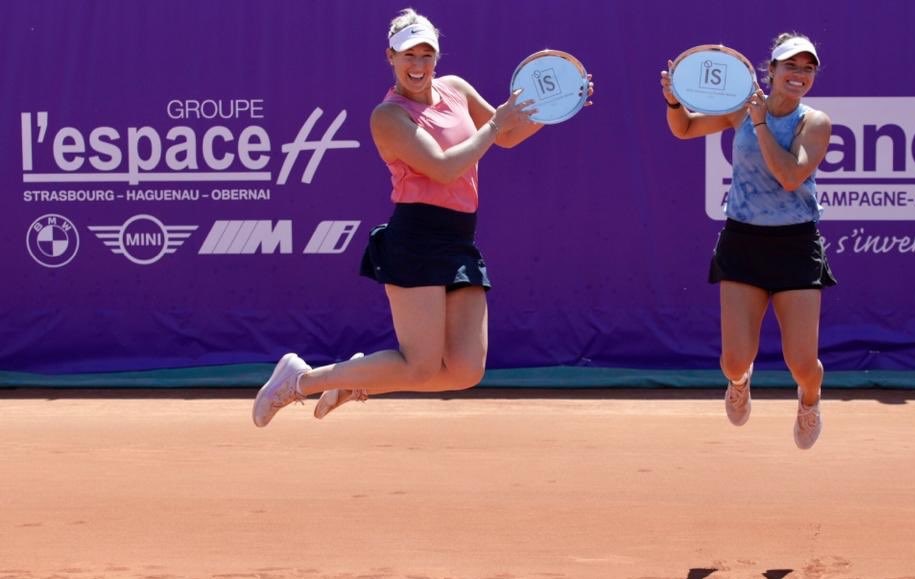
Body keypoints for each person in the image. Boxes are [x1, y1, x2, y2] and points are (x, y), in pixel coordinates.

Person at [253, 8, 593, 427]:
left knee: (467, 370)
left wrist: (555, 107)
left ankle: (358, 379)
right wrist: (495, 126)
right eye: (407, 55)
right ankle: (300, 380)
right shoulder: (388, 116)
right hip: (415, 238)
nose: (417, 65)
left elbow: (506, 134)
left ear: (437, 57)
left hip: (459, 238)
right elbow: (445, 167)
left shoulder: (456, 89)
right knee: (420, 366)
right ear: (390, 58)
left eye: (425, 55)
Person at [660, 33, 835, 449]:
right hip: (743, 241)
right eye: (790, 66)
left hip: (796, 246)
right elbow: (683, 128)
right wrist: (672, 100)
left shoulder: (815, 122)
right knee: (734, 360)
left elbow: (790, 176)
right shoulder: (738, 110)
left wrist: (759, 122)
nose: (799, 75)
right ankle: (740, 382)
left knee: (802, 364)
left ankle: (809, 399)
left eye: (807, 69)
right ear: (770, 70)